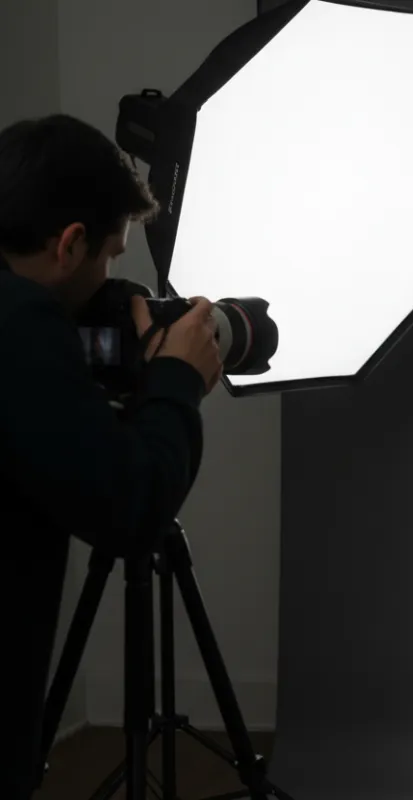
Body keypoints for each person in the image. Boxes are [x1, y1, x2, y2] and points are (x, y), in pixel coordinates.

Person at [0, 114, 224, 800]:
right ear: (70, 244)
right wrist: (178, 381)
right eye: (109, 259)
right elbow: (134, 508)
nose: (108, 279)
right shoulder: (19, 326)